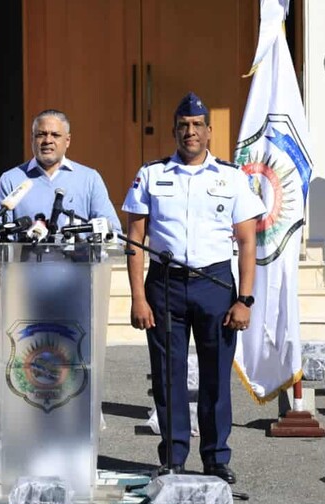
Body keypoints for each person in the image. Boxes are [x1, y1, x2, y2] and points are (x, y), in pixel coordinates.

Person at [121, 92, 265, 483]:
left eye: (197, 125)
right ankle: (173, 456)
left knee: (216, 376)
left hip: (215, 284)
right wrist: (138, 298)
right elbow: (135, 241)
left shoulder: (231, 177)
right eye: (184, 125)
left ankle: (216, 457)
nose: (190, 132)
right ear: (174, 130)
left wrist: (245, 299)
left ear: (209, 131)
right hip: (164, 287)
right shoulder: (151, 174)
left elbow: (248, 242)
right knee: (168, 376)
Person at [0, 109, 121, 235]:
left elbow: (113, 231)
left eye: (55, 135)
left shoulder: (89, 179)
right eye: (41, 134)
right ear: (32, 139)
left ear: (67, 140)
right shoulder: (11, 180)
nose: (48, 140)